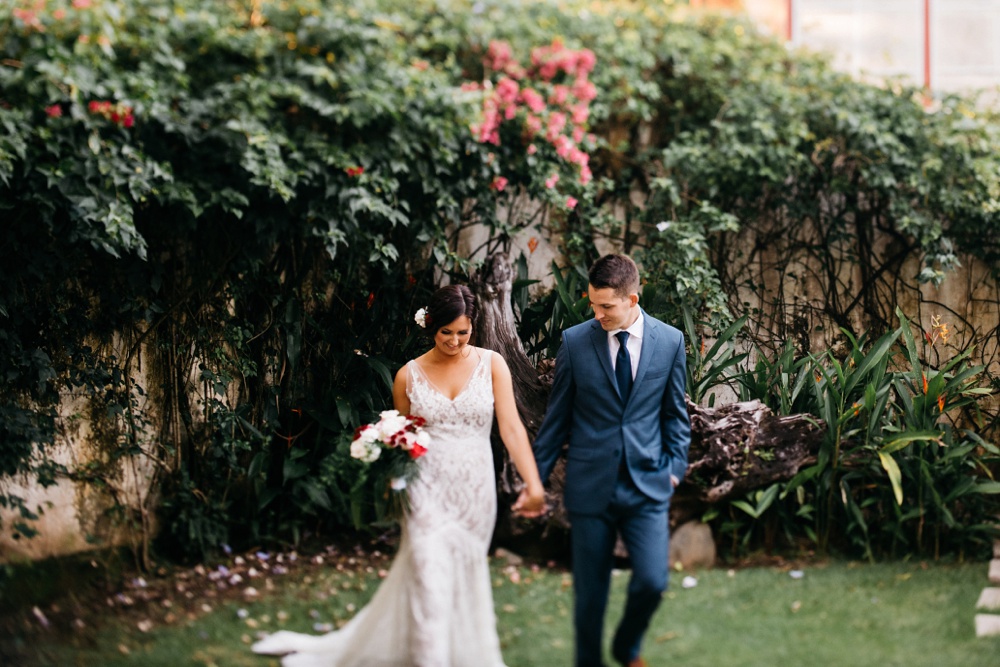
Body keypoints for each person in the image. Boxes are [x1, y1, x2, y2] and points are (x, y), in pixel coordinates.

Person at [253, 284, 546, 666]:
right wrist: (387, 468)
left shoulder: (492, 364)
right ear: (430, 328)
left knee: (461, 576)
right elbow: (404, 438)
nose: (455, 341)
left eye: (463, 332)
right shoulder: (407, 376)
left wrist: (534, 484)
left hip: (474, 491)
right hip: (425, 486)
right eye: (446, 332)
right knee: (426, 572)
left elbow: (511, 429)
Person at [532, 254, 691, 667]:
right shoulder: (574, 341)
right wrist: (534, 482)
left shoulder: (670, 341)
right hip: (590, 485)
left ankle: (626, 646)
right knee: (591, 596)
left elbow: (675, 414)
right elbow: (556, 420)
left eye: (606, 306)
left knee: (653, 581)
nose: (596, 313)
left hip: (648, 483)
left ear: (632, 299)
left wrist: (674, 469)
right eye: (592, 304)